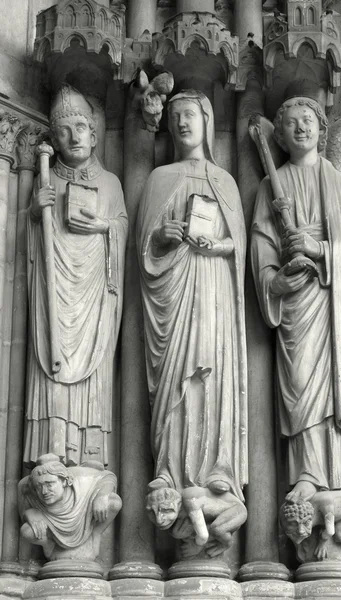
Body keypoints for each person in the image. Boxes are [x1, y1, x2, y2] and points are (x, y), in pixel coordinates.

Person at [251, 88, 341, 502]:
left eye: (309, 119)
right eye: (290, 122)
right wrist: (274, 280)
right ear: (281, 137)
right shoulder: (272, 185)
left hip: (333, 300)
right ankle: (308, 471)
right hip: (296, 300)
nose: (301, 126)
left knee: (338, 379)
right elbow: (261, 245)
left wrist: (318, 249)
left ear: (322, 131)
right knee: (300, 380)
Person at [137, 90, 248, 502]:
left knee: (213, 373)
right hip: (175, 294)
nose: (182, 123)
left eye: (189, 114)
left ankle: (219, 468)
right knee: (176, 376)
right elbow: (143, 254)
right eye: (175, 116)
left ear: (207, 121)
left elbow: (238, 246)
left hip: (214, 289)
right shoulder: (159, 178)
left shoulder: (225, 181)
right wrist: (162, 238)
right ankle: (169, 470)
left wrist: (218, 246)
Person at [25, 84, 128, 467]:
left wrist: (105, 226)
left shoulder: (111, 184)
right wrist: (36, 213)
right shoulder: (46, 180)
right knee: (50, 363)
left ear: (95, 134)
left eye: (81, 128)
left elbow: (121, 229)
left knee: (94, 370)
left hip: (94, 297)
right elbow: (30, 250)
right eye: (64, 132)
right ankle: (51, 449)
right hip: (55, 292)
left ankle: (88, 456)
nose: (73, 138)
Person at [18, 453, 121, 561]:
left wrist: (102, 495)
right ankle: (51, 547)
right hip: (49, 521)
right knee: (27, 530)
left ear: (65, 481)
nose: (44, 491)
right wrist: (29, 513)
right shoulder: (28, 487)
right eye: (39, 486)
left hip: (84, 517)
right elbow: (22, 492)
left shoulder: (80, 476)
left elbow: (108, 476)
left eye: (49, 484)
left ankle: (94, 537)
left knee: (113, 502)